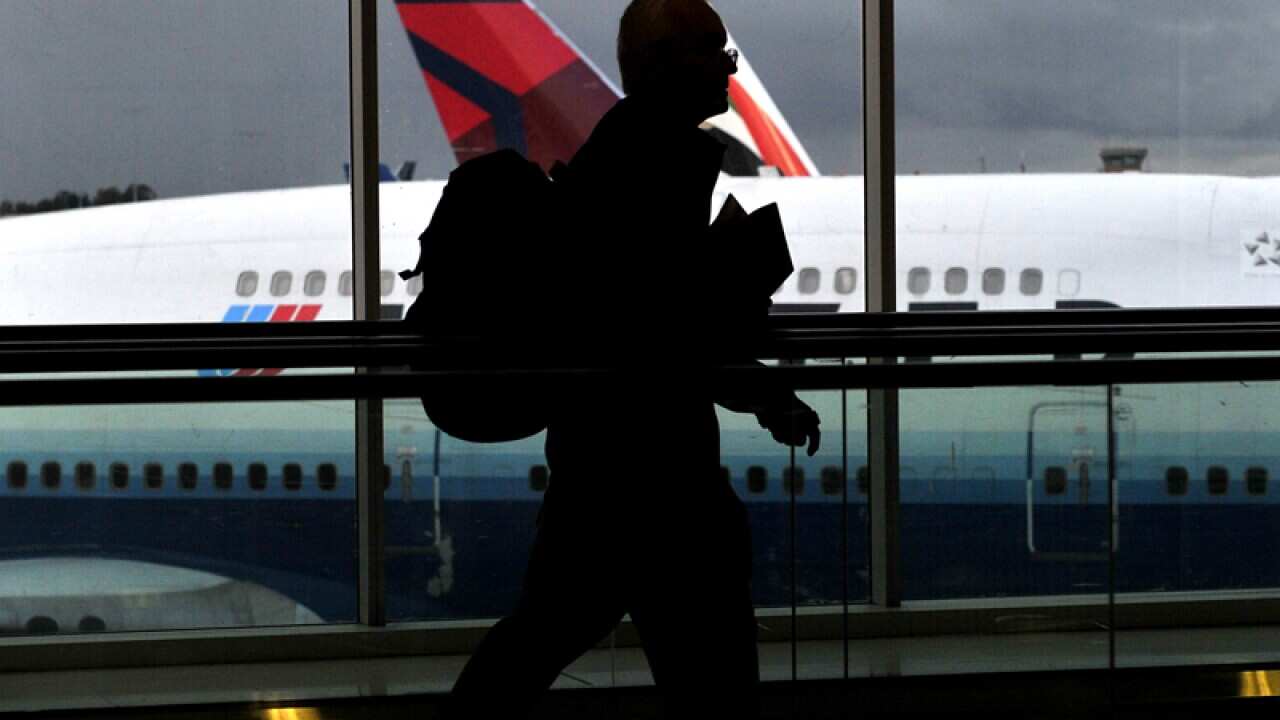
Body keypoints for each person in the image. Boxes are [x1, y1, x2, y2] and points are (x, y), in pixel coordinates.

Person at [449, 1, 821, 716]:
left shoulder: (628, 153)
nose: (728, 66)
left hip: (608, 470)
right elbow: (663, 330)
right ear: (662, 63)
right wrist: (760, 386)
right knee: (702, 671)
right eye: (712, 51)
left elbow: (649, 321)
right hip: (652, 479)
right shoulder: (652, 164)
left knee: (541, 637)